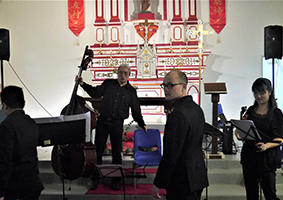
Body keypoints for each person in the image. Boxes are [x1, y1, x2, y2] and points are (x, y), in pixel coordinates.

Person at [76, 63, 148, 190]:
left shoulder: (131, 92)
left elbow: (136, 110)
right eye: (121, 72)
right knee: (98, 151)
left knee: (116, 153)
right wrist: (83, 84)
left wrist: (142, 124)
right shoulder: (108, 84)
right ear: (118, 74)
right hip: (103, 122)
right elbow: (96, 93)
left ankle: (116, 180)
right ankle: (95, 178)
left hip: (117, 123)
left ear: (129, 75)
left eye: (126, 73)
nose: (123, 75)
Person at [151, 70, 208, 200]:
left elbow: (172, 153)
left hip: (182, 179)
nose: (166, 89)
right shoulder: (196, 108)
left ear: (183, 86)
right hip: (197, 175)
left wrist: (158, 183)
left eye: (170, 85)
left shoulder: (178, 114)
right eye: (164, 85)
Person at [235, 77, 283, 200]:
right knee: (251, 194)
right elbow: (243, 131)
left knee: (270, 194)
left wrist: (266, 145)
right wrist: (239, 131)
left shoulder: (276, 113)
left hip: (267, 157)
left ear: (269, 92)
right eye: (255, 93)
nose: (258, 96)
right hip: (250, 155)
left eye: (262, 93)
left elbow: (281, 138)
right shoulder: (251, 110)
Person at [0, 86, 44, 200]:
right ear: (24, 103)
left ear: (5, 105)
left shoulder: (7, 125)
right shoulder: (31, 122)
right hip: (33, 184)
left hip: (16, 189)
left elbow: (4, 162)